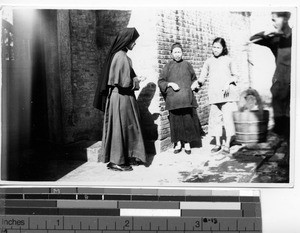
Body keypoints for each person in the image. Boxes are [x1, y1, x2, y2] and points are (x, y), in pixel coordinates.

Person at [93, 28, 146, 171]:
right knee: (119, 128)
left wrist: (134, 78)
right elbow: (124, 83)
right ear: (127, 41)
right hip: (120, 98)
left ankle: (127, 156)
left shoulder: (120, 55)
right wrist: (137, 80)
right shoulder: (121, 56)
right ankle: (116, 161)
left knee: (126, 127)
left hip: (123, 98)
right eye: (133, 41)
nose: (134, 44)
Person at [249, 11, 291, 140]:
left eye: (275, 20)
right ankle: (289, 155)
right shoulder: (275, 39)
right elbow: (253, 39)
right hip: (281, 86)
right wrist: (267, 33)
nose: (273, 23)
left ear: (285, 18)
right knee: (284, 125)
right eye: (272, 20)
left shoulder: (295, 35)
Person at [197, 37, 239, 156]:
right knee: (215, 121)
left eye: (218, 47)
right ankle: (218, 143)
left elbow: (236, 76)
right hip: (214, 96)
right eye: (214, 47)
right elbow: (202, 77)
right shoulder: (208, 61)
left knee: (228, 120)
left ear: (223, 48)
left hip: (228, 96)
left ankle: (227, 144)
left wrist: (228, 82)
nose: (215, 49)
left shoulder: (229, 60)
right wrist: (197, 84)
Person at [158, 42, 203, 154]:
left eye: (179, 52)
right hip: (174, 100)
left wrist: (195, 84)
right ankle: (178, 143)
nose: (177, 54)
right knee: (175, 122)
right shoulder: (168, 66)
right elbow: (161, 81)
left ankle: (187, 144)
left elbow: (194, 79)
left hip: (186, 99)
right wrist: (170, 84)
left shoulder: (187, 65)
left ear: (182, 53)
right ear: (171, 54)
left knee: (187, 121)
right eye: (175, 52)